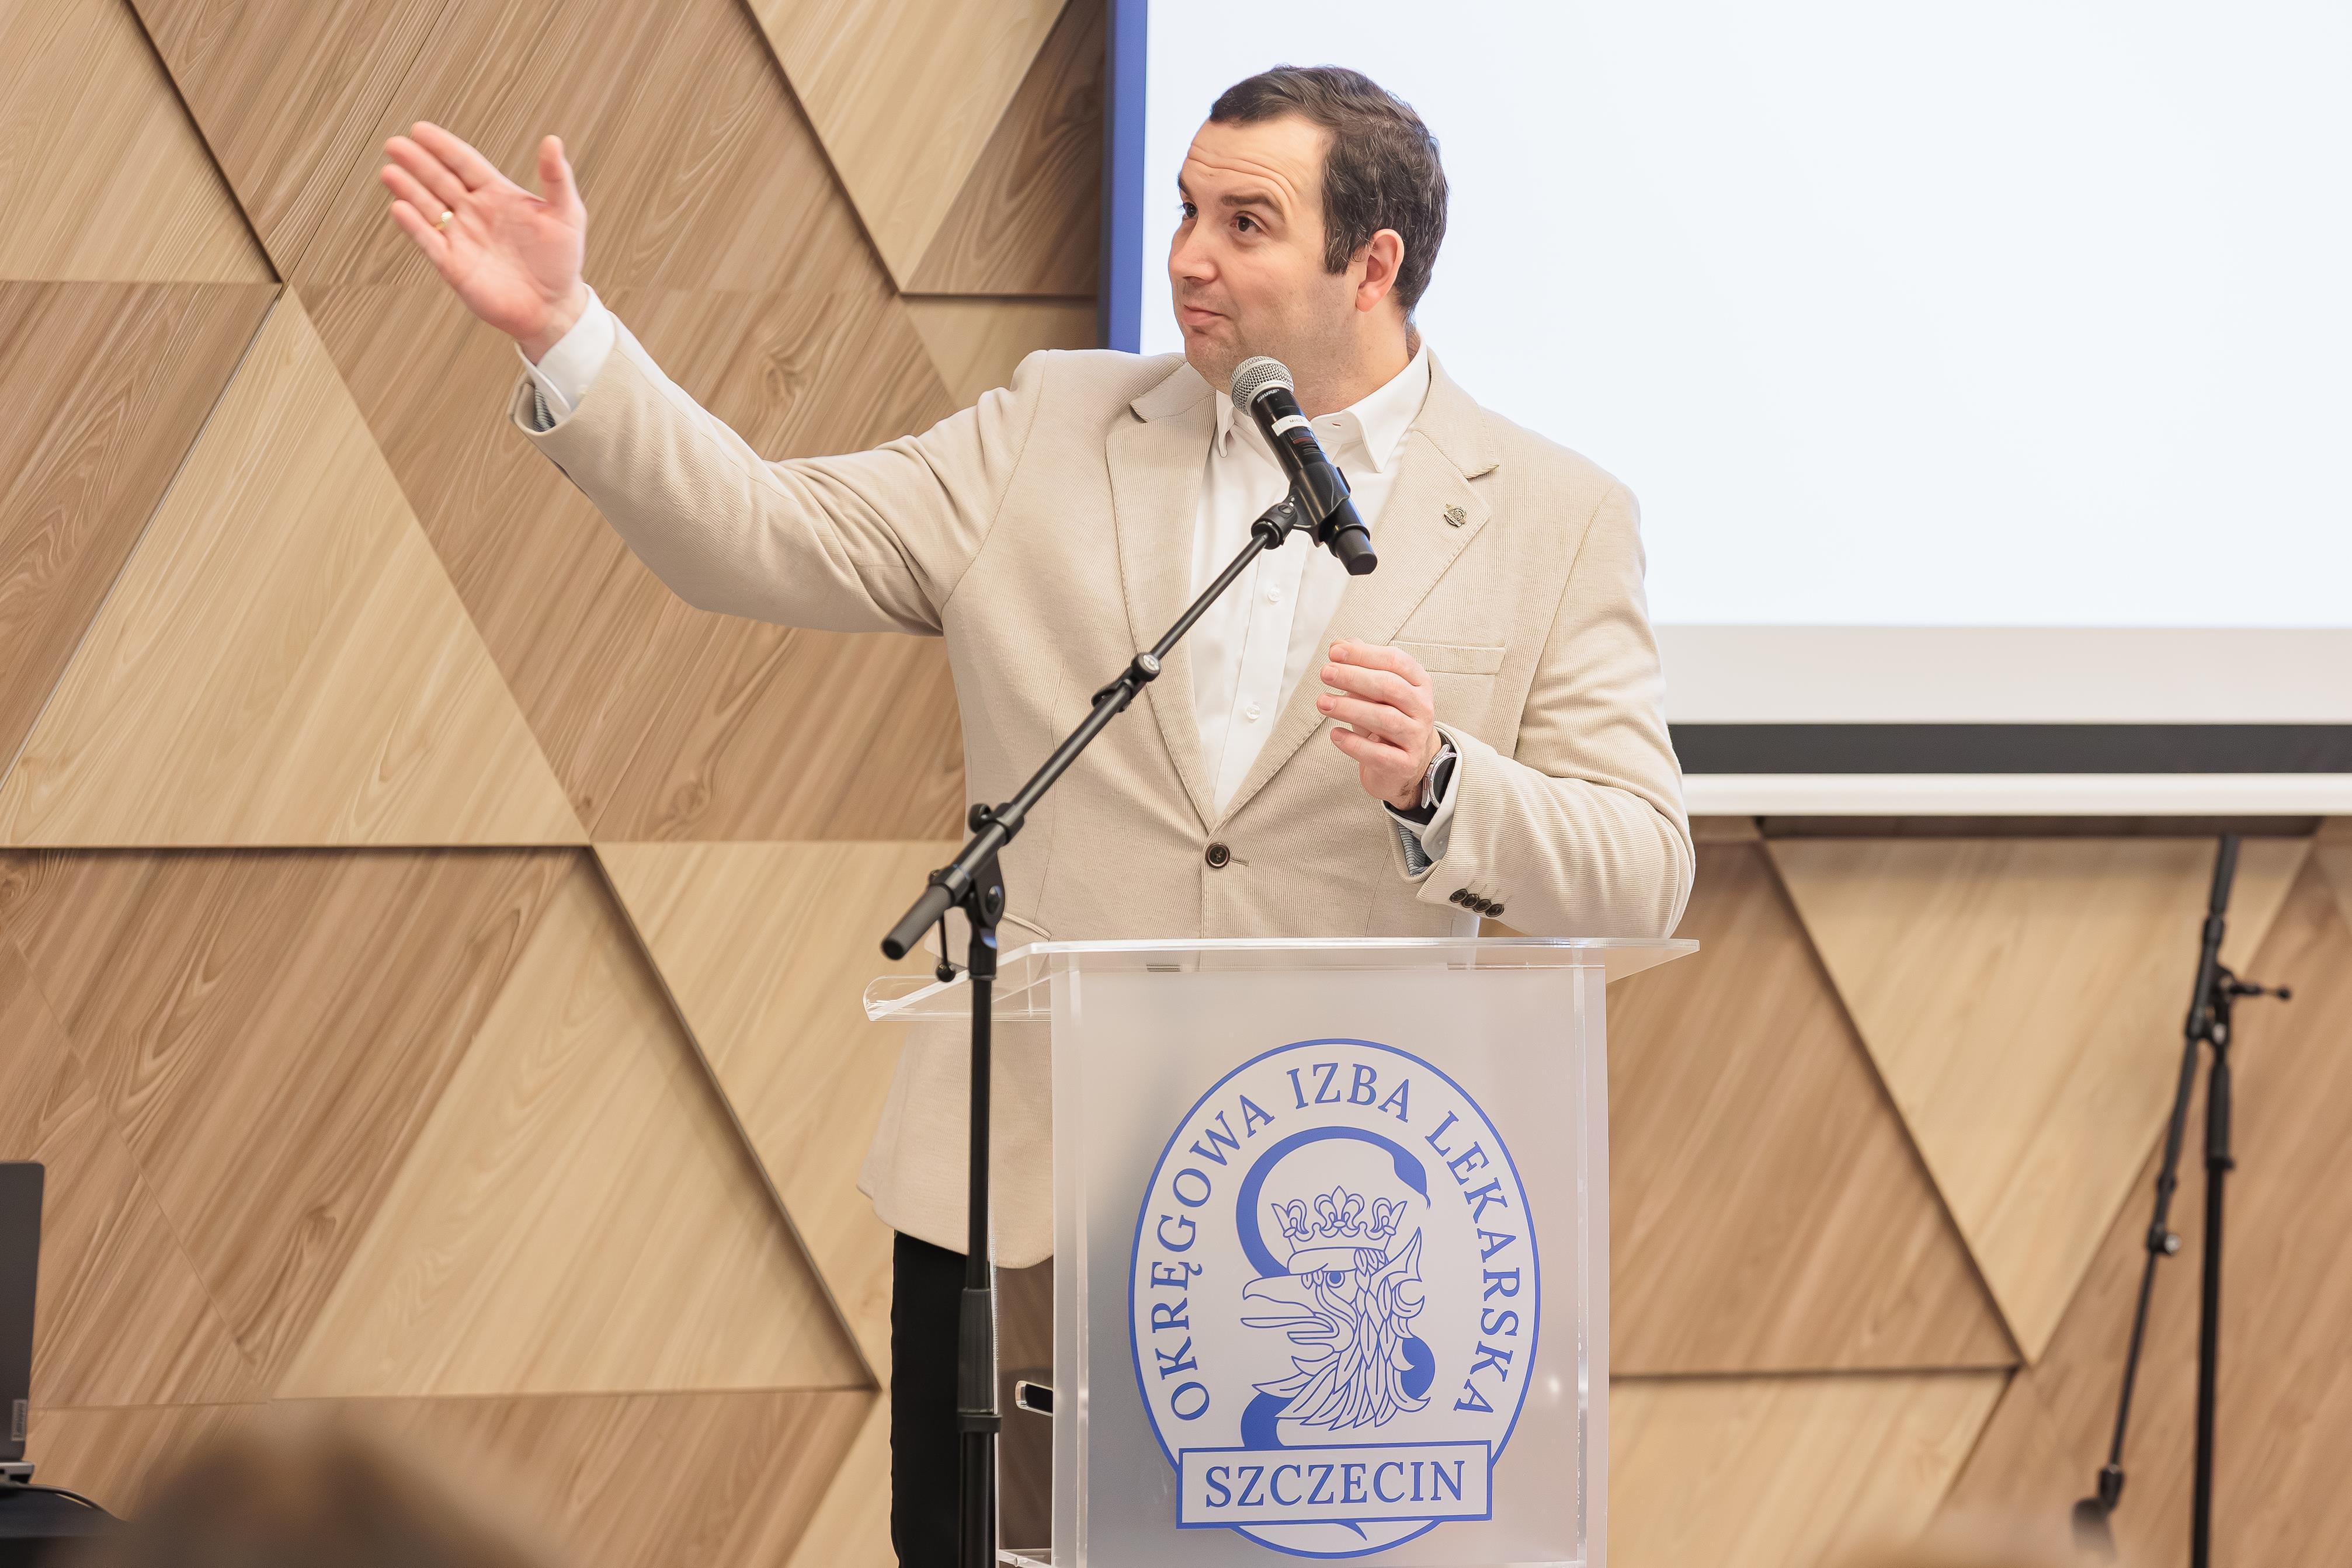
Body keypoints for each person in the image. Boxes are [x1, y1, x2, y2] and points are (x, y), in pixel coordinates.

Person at [383, 64, 1693, 1564]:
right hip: (1027, 1198)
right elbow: (756, 531)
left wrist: (1445, 781)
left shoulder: (1553, 512)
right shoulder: (1053, 426)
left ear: (1371, 263)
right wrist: (566, 328)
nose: (1189, 255)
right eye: (1185, 210)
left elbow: (1642, 868)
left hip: (1327, 1213)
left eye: (1246, 222)